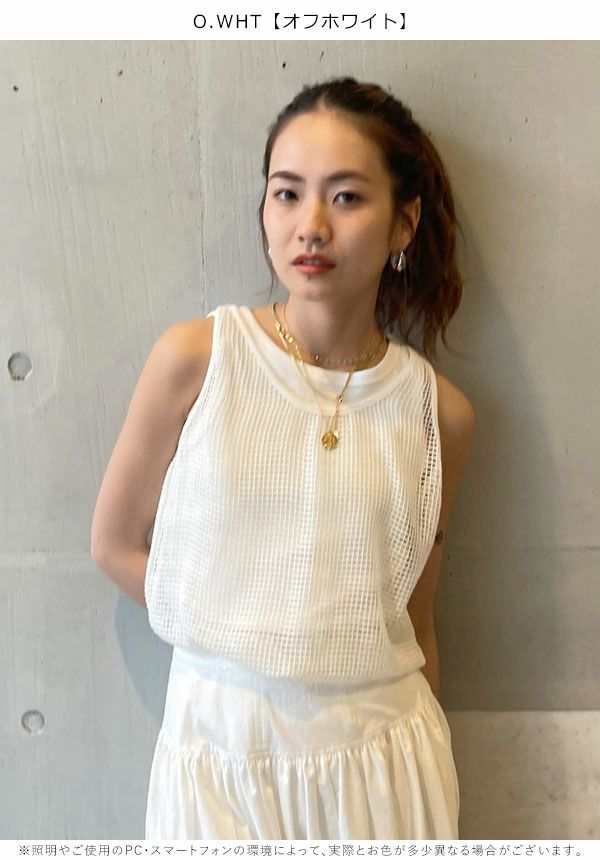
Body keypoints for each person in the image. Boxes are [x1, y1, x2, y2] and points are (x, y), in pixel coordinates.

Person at [91, 76, 475, 840]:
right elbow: (114, 544)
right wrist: (247, 638)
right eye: (287, 193)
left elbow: (415, 619)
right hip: (218, 750)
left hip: (384, 764)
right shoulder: (198, 359)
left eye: (346, 197)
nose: (311, 226)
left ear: (403, 223)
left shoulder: (439, 413)